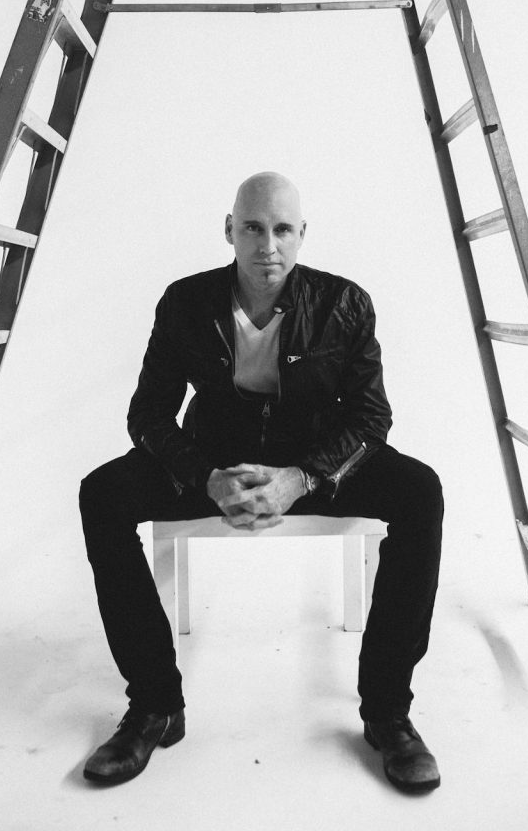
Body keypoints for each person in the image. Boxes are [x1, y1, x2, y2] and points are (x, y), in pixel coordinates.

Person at [79, 172, 444, 793]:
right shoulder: (184, 303)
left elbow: (371, 416)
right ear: (230, 230)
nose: (266, 244)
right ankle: (154, 704)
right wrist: (206, 476)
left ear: (302, 235)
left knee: (420, 492)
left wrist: (301, 478)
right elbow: (148, 414)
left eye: (281, 229)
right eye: (252, 227)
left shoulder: (345, 303)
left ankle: (388, 713)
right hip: (215, 456)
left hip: (314, 456)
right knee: (102, 494)